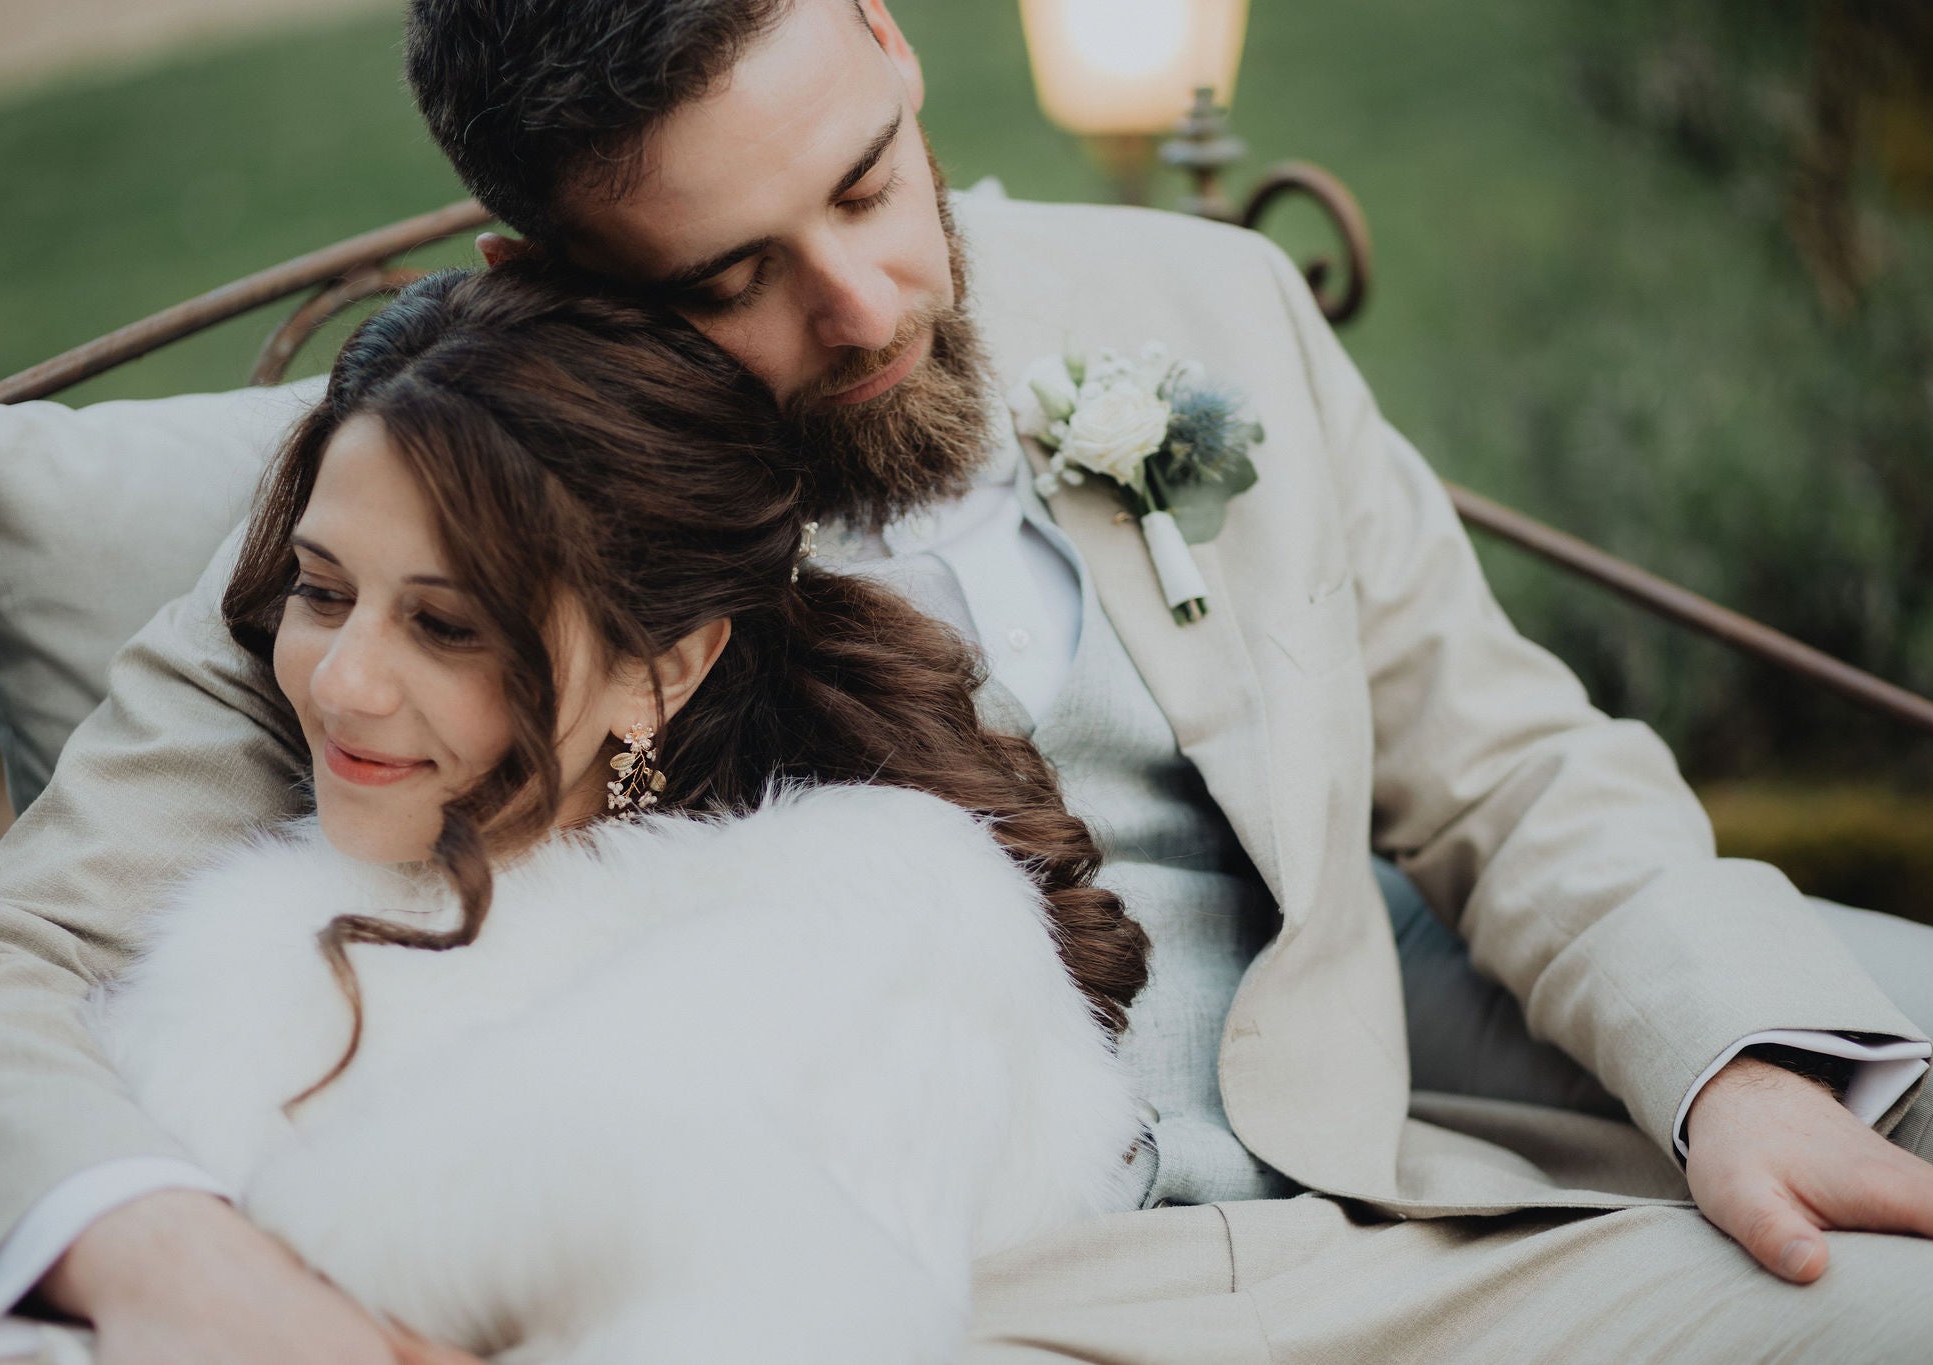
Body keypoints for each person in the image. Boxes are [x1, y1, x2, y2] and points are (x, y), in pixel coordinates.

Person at [0, 0, 1933, 1360]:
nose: (872, 300)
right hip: (919, 1295)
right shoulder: (440, 492)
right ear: (542, 263)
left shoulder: (1202, 296)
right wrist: (169, 1253)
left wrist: (1722, 1066)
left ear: (888, 30)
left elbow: (1506, 767)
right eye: (733, 277)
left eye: (871, 178)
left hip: (1411, 1235)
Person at [83, 261, 1148, 1364]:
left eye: (446, 628)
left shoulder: (863, 933)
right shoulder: (235, 975)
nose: (343, 681)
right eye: (324, 592)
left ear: (659, 671)